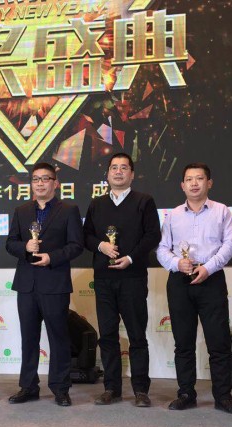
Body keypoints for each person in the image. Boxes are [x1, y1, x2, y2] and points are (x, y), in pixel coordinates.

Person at [156, 163, 232, 414]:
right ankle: (186, 394)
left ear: (209, 183)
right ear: (182, 185)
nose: (194, 183)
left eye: (200, 178)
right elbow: (162, 248)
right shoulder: (173, 215)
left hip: (211, 279)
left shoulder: (221, 211)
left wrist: (208, 268)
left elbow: (230, 245)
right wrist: (176, 263)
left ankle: (223, 397)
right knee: (183, 343)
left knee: (218, 342)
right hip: (180, 281)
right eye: (189, 179)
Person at [83, 153, 161, 407]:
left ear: (132, 174)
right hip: (104, 279)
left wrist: (130, 257)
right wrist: (101, 246)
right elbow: (86, 236)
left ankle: (140, 390)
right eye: (114, 167)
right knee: (107, 335)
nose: (118, 172)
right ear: (107, 174)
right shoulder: (97, 204)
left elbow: (153, 236)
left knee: (137, 335)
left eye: (124, 168)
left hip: (132, 277)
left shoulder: (144, 201)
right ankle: (111, 388)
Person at [5, 163, 84, 406]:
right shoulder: (21, 211)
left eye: (45, 179)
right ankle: (28, 386)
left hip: (54, 282)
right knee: (28, 338)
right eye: (35, 179)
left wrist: (52, 257)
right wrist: (25, 247)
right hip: (27, 284)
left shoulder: (68, 210)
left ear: (55, 183)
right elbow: (10, 243)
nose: (40, 183)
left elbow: (76, 245)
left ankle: (60, 388)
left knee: (58, 337)